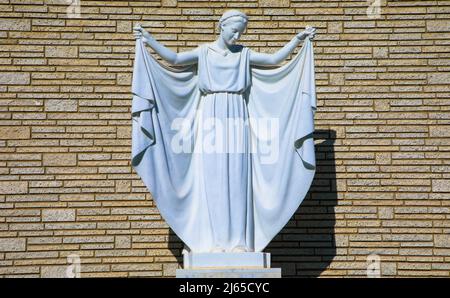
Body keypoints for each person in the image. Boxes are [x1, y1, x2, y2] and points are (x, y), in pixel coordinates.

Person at [131, 10, 317, 253]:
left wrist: (298, 40)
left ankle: (239, 241)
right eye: (234, 30)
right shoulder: (204, 52)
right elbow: (175, 59)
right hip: (211, 114)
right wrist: (148, 39)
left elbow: (273, 61)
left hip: (237, 115)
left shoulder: (244, 55)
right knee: (213, 178)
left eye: (241, 32)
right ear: (222, 26)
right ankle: (214, 241)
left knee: (238, 177)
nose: (237, 35)